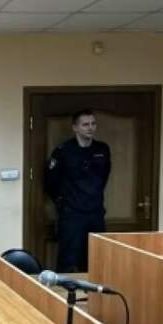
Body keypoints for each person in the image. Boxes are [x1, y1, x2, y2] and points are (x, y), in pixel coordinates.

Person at [45, 109, 112, 273]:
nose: (90, 128)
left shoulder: (102, 149)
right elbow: (51, 182)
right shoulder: (63, 151)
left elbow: (104, 178)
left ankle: (93, 290)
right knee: (68, 262)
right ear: (75, 127)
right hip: (72, 215)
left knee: (96, 261)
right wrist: (63, 203)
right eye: (85, 124)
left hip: (95, 214)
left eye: (93, 124)